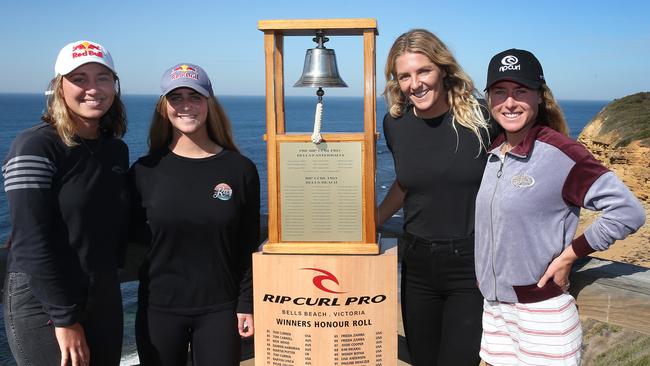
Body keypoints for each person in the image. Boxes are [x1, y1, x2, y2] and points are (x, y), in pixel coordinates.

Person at [475, 48, 646, 366]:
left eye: (520, 91)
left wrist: (570, 255)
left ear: (539, 96)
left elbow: (627, 211)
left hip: (542, 314)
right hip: (495, 309)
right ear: (489, 99)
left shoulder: (560, 153)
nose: (509, 102)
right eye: (500, 92)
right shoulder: (495, 151)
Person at [2, 40, 129, 366]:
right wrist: (64, 318)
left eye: (103, 77)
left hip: (101, 292)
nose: (93, 88)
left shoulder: (115, 150)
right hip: (43, 297)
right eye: (80, 78)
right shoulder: (35, 146)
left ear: (114, 86)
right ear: (59, 87)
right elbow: (30, 240)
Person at [377, 29, 495, 365]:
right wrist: (373, 220)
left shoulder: (482, 119)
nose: (415, 84)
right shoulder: (395, 124)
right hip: (416, 264)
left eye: (423, 71)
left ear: (443, 69)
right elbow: (408, 183)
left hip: (470, 266)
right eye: (404, 76)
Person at [130, 63, 260, 366]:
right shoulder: (144, 171)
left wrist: (246, 302)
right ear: (164, 107)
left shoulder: (240, 170)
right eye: (176, 98)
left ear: (209, 104)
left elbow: (247, 243)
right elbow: (126, 236)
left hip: (220, 310)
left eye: (195, 96)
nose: (186, 106)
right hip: (159, 309)